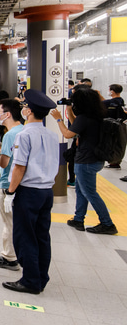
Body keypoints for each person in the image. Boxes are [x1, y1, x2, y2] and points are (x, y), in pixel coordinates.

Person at [2, 90, 59, 294]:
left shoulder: (24, 135)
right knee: (42, 236)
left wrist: (10, 192)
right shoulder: (52, 136)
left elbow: (19, 167)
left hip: (28, 192)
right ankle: (41, 277)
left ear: (29, 111)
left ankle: (30, 280)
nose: (23, 108)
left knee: (24, 236)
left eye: (25, 106)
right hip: (46, 192)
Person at [50, 87, 118, 234]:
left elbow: (68, 134)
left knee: (90, 193)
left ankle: (107, 224)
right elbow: (77, 127)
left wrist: (58, 120)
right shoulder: (95, 115)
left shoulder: (84, 118)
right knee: (81, 191)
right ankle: (78, 219)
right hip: (94, 159)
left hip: (86, 161)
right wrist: (69, 111)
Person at [0, 99, 24, 270]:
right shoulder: (23, 130)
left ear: (7, 114)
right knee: (15, 222)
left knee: (8, 223)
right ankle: (16, 253)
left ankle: (9, 257)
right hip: (21, 184)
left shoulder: (9, 135)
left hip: (8, 184)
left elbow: (3, 163)